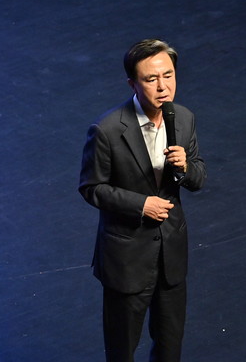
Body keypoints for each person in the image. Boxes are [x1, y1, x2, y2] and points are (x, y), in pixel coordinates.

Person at [78, 39, 206, 362]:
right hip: (126, 260)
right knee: (121, 351)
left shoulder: (184, 118)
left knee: (169, 348)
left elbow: (199, 177)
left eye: (169, 75)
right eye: (151, 79)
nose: (163, 87)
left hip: (171, 257)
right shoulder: (107, 130)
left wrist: (186, 168)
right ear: (132, 83)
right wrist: (141, 205)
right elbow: (91, 187)